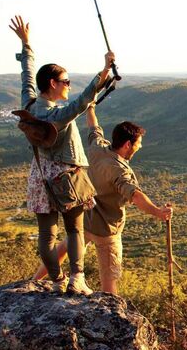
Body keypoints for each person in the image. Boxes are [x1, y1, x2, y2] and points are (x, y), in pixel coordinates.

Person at [10, 15, 114, 294]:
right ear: (53, 84)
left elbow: (27, 77)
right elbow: (81, 103)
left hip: (41, 176)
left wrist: (26, 44)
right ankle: (76, 279)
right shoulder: (56, 115)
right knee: (75, 230)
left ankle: (55, 281)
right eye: (65, 81)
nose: (68, 85)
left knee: (47, 234)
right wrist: (103, 72)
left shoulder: (29, 105)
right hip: (68, 177)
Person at [33, 105, 172, 293]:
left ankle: (34, 281)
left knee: (65, 247)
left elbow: (93, 128)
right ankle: (108, 313)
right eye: (138, 143)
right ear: (127, 145)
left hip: (85, 220)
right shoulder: (120, 170)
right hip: (107, 231)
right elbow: (136, 195)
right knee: (110, 279)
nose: (140, 147)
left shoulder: (97, 148)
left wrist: (91, 108)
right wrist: (158, 212)